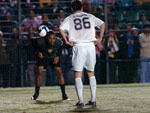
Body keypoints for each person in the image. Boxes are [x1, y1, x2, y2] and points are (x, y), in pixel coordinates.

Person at [59, 0, 105, 106]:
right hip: (90, 45)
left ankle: (81, 101)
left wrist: (66, 41)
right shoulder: (90, 16)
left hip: (78, 45)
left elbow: (61, 29)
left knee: (78, 73)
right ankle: (93, 99)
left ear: (72, 8)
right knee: (91, 72)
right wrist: (100, 38)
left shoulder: (69, 18)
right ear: (82, 7)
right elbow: (102, 24)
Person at [30, 31, 69, 100]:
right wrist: (38, 52)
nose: (52, 40)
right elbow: (33, 45)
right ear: (46, 38)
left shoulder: (58, 42)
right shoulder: (40, 41)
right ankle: (36, 93)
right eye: (50, 38)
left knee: (59, 72)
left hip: (53, 58)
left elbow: (61, 48)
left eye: (53, 38)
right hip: (43, 58)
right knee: (40, 71)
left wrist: (58, 56)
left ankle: (64, 94)